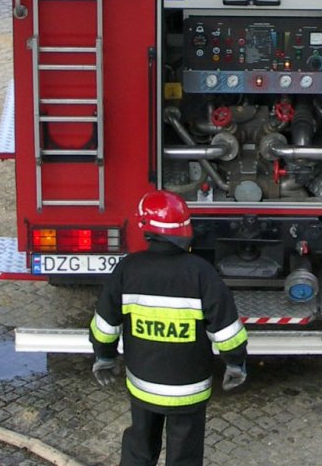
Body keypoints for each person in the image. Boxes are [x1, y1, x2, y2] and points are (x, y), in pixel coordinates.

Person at [89, 189, 248, 466]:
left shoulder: (128, 269)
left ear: (146, 229)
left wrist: (104, 356)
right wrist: (235, 363)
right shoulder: (201, 272)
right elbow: (227, 331)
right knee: (184, 457)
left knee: (139, 449)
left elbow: (105, 325)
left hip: (143, 387)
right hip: (189, 389)